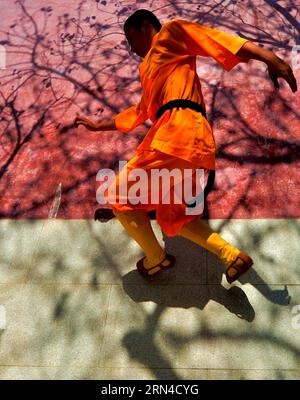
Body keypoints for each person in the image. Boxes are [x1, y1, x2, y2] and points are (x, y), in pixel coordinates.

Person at [74, 9, 297, 282]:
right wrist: (100, 125)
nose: (131, 47)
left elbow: (214, 39)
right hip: (192, 144)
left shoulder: (170, 33)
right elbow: (140, 111)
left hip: (176, 133)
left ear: (146, 27)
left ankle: (156, 259)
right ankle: (231, 257)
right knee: (174, 217)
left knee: (118, 197)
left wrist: (270, 58)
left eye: (131, 37)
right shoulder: (148, 69)